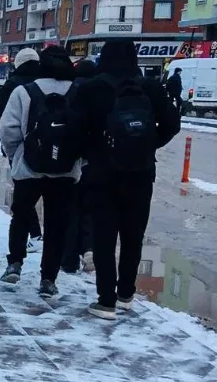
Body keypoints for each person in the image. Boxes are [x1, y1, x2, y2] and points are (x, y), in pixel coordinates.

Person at [71, 40, 180, 320]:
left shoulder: (91, 88)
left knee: (104, 235)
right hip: (141, 172)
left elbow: (76, 128)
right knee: (133, 234)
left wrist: (91, 151)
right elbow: (173, 124)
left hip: (102, 171)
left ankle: (106, 300)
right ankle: (126, 293)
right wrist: (149, 144)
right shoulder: (150, 88)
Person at [0, 46, 81, 299]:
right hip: (66, 171)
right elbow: (87, 131)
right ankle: (48, 278)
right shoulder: (77, 92)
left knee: (21, 216)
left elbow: (8, 129)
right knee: (57, 224)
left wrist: (15, 156)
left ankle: (15, 263)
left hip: (29, 169)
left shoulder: (25, 92)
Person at [0, 48, 44, 251]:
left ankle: (33, 236)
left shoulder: (13, 84)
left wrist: (7, 145)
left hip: (21, 148)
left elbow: (1, 119)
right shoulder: (46, 81)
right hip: (53, 148)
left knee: (24, 193)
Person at [61, 58, 97, 274]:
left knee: (70, 210)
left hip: (71, 161)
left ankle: (69, 259)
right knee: (89, 210)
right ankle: (89, 248)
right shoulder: (102, 92)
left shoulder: (71, 92)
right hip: (95, 161)